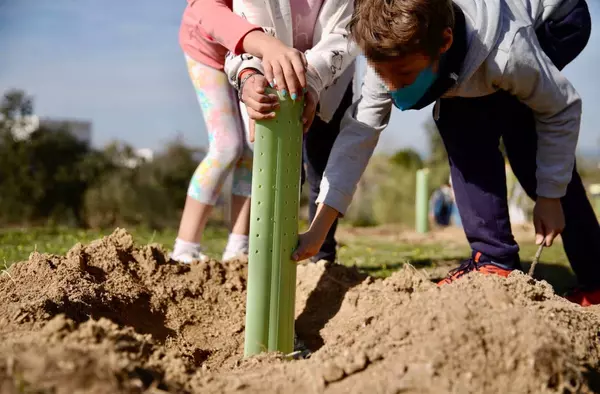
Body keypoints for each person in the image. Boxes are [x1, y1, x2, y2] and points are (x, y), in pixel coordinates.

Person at [293, 0, 600, 306]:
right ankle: (495, 259)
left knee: (511, 134)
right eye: (382, 74)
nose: (392, 87)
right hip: (473, 42)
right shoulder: (388, 51)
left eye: (403, 75)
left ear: (444, 42)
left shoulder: (508, 53)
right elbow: (359, 134)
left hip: (558, 19)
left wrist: (550, 195)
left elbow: (560, 107)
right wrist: (318, 229)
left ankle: (584, 277)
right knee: (465, 116)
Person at [172, 0, 312, 263]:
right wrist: (265, 44)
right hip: (208, 51)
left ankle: (238, 246)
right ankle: (185, 248)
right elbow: (206, 8)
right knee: (227, 146)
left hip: (251, 57)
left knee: (253, 145)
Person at [224, 0, 358, 263]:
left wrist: (311, 79)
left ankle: (322, 255)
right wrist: (249, 74)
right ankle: (272, 256)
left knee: (324, 164)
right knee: (281, 169)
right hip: (271, 81)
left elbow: (347, 31)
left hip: (331, 76)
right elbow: (246, 28)